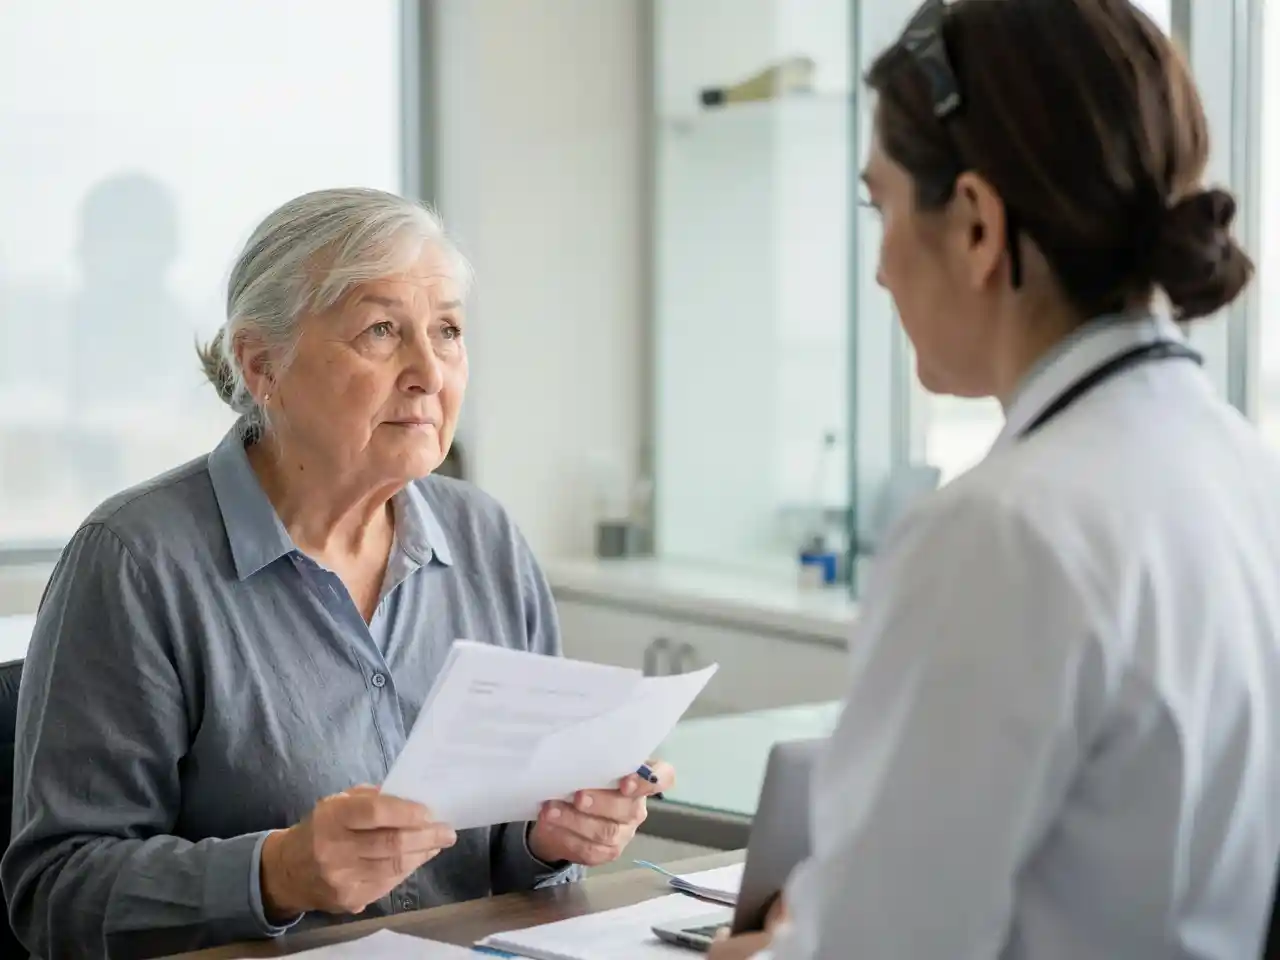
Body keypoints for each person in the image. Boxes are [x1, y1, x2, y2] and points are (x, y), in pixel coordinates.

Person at [711, 1, 1280, 958]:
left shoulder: (1002, 532)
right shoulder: (1241, 470)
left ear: (976, 223)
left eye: (879, 206)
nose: (883, 269)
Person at [1, 187, 673, 958]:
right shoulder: (135, 560)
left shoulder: (485, 538)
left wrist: (551, 839)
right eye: (381, 331)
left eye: (448, 331)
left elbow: (508, 859)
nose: (429, 372)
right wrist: (275, 873)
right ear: (262, 365)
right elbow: (55, 896)